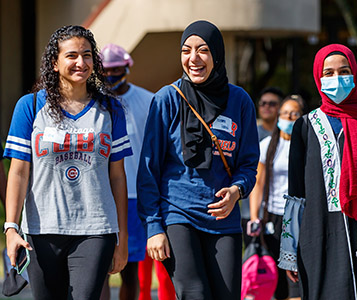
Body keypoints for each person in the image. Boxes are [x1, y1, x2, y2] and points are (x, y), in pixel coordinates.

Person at [3, 25, 132, 300]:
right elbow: (18, 173)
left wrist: (122, 237)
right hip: (41, 230)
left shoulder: (111, 109)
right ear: (54, 62)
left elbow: (118, 176)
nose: (80, 63)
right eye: (71, 55)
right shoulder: (30, 106)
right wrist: (11, 228)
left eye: (87, 55)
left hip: (96, 229)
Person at [137, 20, 259, 299]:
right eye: (186, 50)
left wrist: (237, 190)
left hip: (224, 219)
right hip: (178, 213)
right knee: (195, 294)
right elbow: (148, 169)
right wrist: (154, 227)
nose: (193, 58)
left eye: (202, 50)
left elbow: (248, 164)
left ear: (216, 54)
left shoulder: (240, 101)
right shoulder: (167, 99)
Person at [278, 44, 357, 300]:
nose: (337, 79)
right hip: (316, 237)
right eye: (329, 73)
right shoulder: (304, 127)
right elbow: (296, 193)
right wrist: (291, 249)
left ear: (355, 74)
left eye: (344, 71)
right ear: (318, 78)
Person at [99, 43, 153, 300]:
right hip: (98, 195)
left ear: (127, 67)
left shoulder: (148, 100)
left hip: (134, 195)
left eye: (116, 69)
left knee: (130, 269)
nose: (111, 75)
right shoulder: (94, 101)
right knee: (97, 268)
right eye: (106, 70)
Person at [248, 95, 303, 300]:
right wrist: (255, 217)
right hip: (273, 217)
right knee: (278, 279)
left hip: (298, 218)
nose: (289, 117)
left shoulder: (306, 145)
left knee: (296, 277)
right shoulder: (267, 145)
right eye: (285, 113)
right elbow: (258, 184)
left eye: (295, 113)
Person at [240, 87, 283, 248]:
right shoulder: (250, 133)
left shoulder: (287, 136)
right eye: (263, 103)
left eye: (272, 104)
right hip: (250, 210)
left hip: (277, 211)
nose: (266, 107)